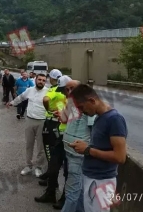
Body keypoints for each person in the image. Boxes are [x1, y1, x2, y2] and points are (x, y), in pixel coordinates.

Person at [69, 84, 128, 212]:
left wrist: (88, 150)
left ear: (92, 100)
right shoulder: (99, 117)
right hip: (92, 178)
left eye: (81, 107)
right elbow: (101, 146)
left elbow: (120, 157)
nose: (81, 111)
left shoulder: (114, 119)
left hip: (101, 181)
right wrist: (85, 146)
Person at [58, 79, 95, 212]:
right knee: (78, 190)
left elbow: (93, 128)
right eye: (67, 89)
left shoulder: (86, 105)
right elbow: (64, 119)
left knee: (72, 191)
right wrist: (61, 113)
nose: (69, 92)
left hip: (78, 154)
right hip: (69, 151)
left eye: (72, 89)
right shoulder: (70, 103)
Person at [35, 74, 70, 204]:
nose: (65, 93)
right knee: (54, 165)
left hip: (70, 138)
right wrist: (60, 114)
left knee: (68, 170)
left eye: (66, 90)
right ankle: (50, 192)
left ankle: (65, 198)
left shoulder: (77, 100)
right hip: (60, 134)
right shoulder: (63, 96)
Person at [6, 73, 47, 177]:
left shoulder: (48, 92)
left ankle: (38, 167)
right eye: (39, 80)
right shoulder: (30, 90)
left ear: (45, 82)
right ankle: (28, 166)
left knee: (41, 147)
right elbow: (21, 97)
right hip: (29, 121)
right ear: (35, 80)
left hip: (42, 122)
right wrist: (12, 103)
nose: (41, 82)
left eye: (43, 80)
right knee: (29, 145)